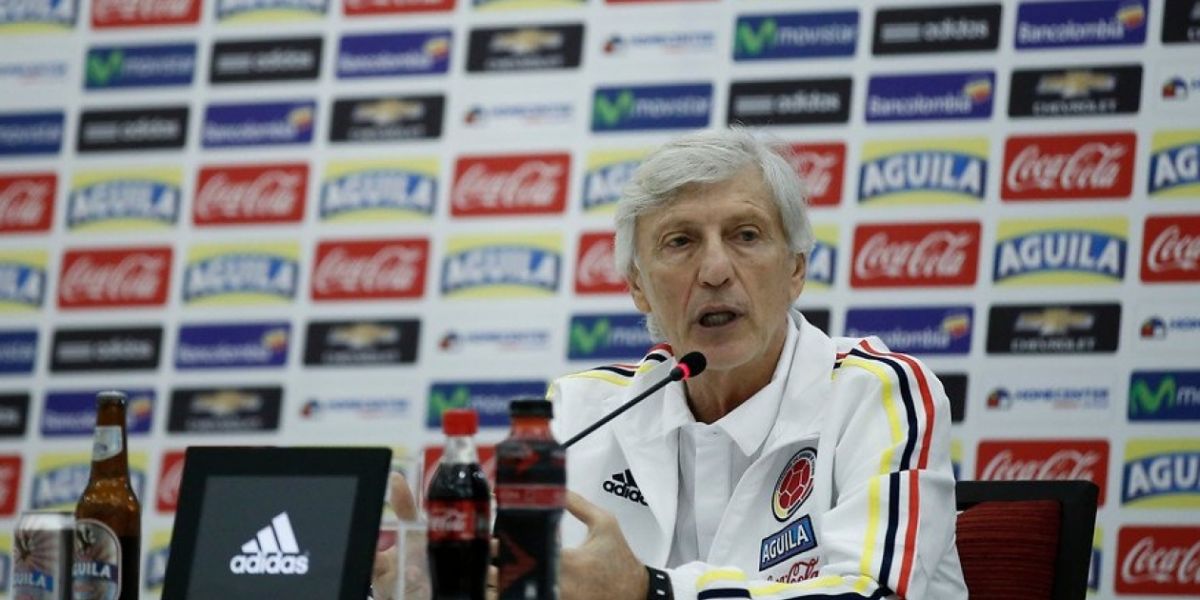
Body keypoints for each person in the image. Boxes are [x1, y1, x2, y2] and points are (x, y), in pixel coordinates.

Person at [375, 128, 966, 600]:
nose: (714, 269)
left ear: (796, 270)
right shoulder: (580, 412)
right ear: (637, 287)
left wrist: (651, 591)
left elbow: (871, 595)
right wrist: (443, 589)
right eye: (680, 242)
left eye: (746, 235)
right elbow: (520, 581)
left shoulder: (880, 395)